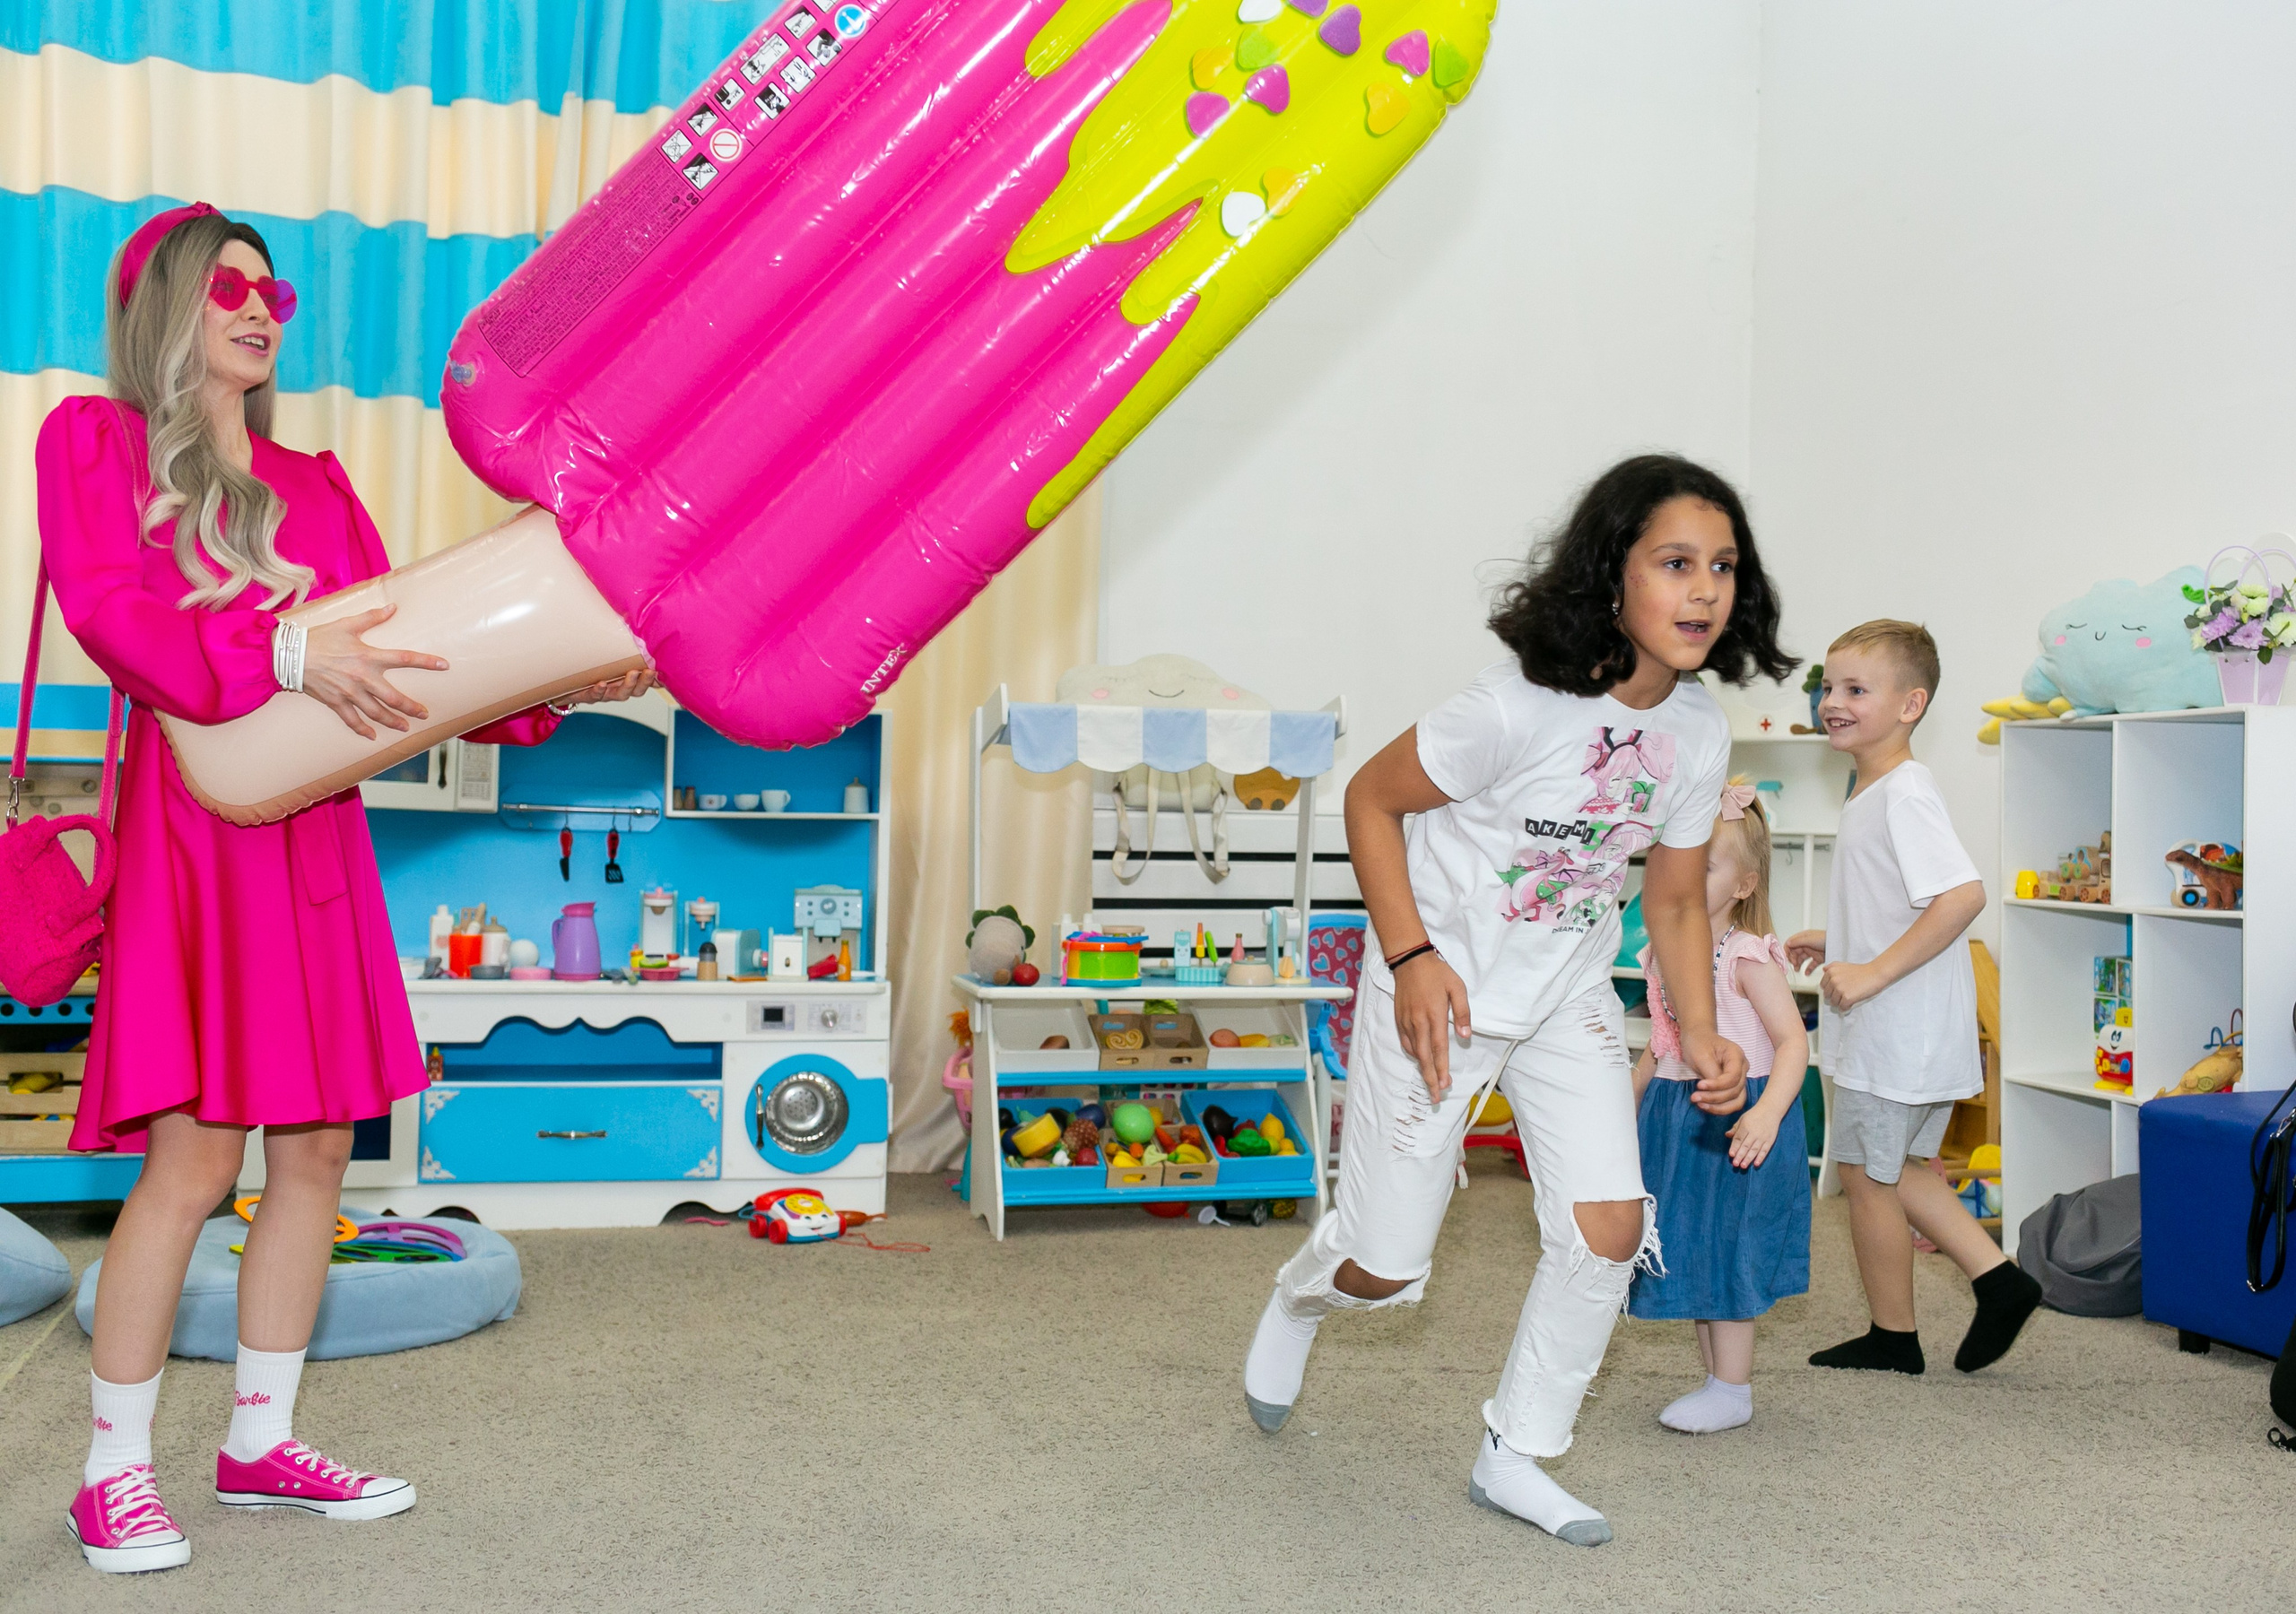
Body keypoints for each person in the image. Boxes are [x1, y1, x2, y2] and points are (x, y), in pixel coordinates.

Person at [38, 203, 654, 1575]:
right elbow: (108, 607)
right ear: (166, 307)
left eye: (276, 292)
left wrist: (561, 679)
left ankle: (260, 1443)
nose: (259, 309)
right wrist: (279, 656)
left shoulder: (318, 484)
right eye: (229, 288)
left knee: (317, 1150)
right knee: (193, 1159)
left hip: (315, 843)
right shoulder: (93, 442)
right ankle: (112, 1474)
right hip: (196, 838)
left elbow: (418, 671)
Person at [1241, 455, 1795, 1546]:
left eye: (1722, 567)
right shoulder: (1510, 710)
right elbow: (1369, 799)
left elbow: (1677, 901)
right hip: (1438, 992)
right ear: (1611, 573)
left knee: (1607, 1228)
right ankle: (1303, 1291)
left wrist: (1699, 1031)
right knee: (1383, 1268)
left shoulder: (1694, 733)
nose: (1704, 591)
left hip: (1566, 995)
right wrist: (1407, 957)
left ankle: (1519, 1451)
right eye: (1674, 563)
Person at [1785, 620, 2041, 1376]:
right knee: (1906, 1171)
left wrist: (1868, 974)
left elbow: (1961, 897)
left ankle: (1895, 1335)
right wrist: (1839, 942)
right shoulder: (1875, 790)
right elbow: (1905, 904)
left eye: (1856, 689)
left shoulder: (1903, 792)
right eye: (1828, 687)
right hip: (1907, 1025)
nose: (1833, 701)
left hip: (1894, 1029)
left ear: (1910, 704)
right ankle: (2000, 1282)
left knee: (1869, 1177)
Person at [1626, 779, 1811, 1434]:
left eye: (1704, 863)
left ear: (1742, 884)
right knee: (1692, 1246)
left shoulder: (1745, 956)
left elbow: (1793, 1042)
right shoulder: (1660, 956)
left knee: (1731, 1250)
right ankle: (1714, 1380)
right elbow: (1659, 1045)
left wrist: (1765, 1116)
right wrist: (1624, 1109)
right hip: (1677, 1117)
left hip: (1739, 1121)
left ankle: (1732, 1389)